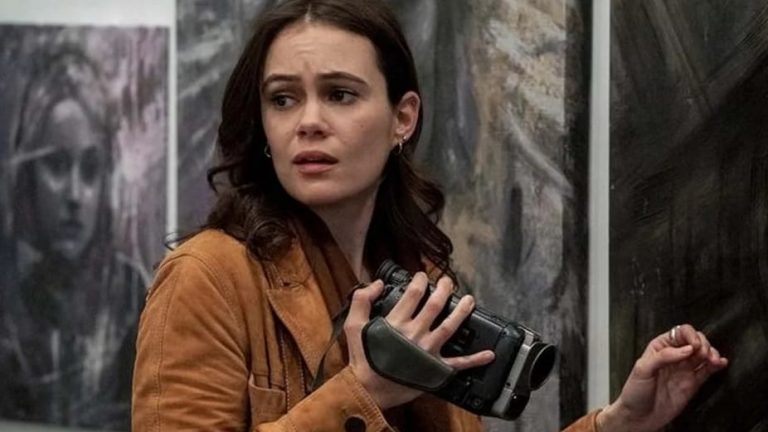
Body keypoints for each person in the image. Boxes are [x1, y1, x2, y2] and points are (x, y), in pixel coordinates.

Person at [131, 0, 727, 430]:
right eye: (283, 98)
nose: (308, 121)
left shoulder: (420, 277)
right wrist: (362, 394)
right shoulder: (209, 276)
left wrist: (619, 422)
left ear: (403, 118)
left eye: (340, 94)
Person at [0, 46, 144, 430]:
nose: (75, 195)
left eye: (91, 169)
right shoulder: (6, 285)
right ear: (28, 174)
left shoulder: (131, 293)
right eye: (57, 165)